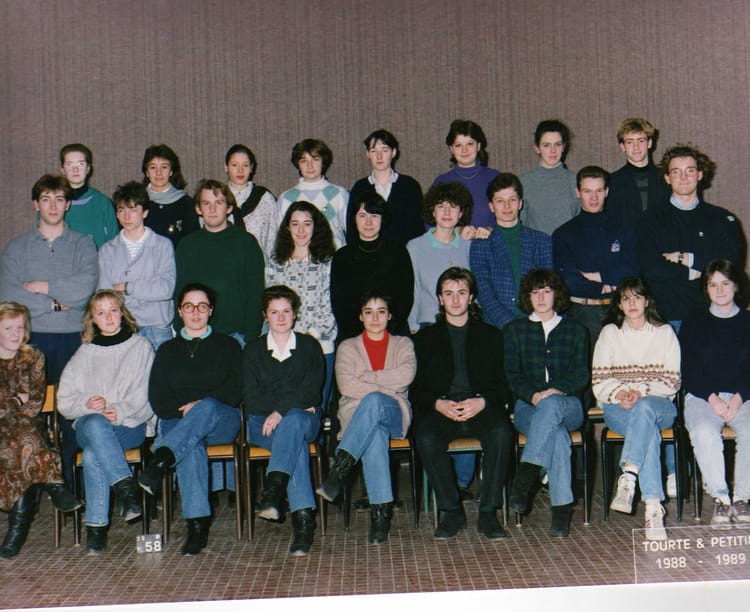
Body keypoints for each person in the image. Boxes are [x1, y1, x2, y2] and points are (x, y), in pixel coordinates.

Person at [0, 174, 98, 487]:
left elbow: (84, 289)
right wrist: (55, 303)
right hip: (30, 341)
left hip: (73, 340)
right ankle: (32, 489)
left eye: (59, 199)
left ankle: (69, 486)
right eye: (46, 199)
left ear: (68, 205)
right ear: (35, 205)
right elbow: (8, 293)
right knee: (30, 415)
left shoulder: (83, 244)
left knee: (71, 413)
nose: (53, 206)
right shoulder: (17, 247)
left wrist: (41, 286)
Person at [140, 283, 242, 556]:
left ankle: (160, 460)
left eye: (202, 306)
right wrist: (184, 411)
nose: (195, 312)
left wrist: (200, 406)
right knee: (192, 446)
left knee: (206, 406)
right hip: (179, 422)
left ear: (211, 311)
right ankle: (197, 527)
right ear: (179, 311)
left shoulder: (229, 345)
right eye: (189, 306)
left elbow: (236, 389)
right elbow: (158, 397)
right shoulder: (167, 350)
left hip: (220, 420)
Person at [412, 268, 513, 540]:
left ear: (471, 298)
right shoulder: (424, 339)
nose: (455, 300)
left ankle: (489, 512)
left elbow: (506, 384)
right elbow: (416, 389)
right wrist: (438, 404)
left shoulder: (491, 335)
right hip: (443, 408)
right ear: (439, 299)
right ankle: (452, 511)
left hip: (480, 406)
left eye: (461, 293)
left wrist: (483, 401)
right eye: (448, 294)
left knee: (501, 433)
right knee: (426, 437)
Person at [57, 290, 155, 555]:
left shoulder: (141, 347)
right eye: (101, 313)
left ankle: (96, 530)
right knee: (95, 425)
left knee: (93, 455)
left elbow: (146, 395)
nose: (109, 317)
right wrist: (86, 404)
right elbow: (64, 401)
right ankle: (127, 488)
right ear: (92, 319)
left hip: (128, 425)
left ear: (122, 312)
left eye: (113, 310)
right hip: (90, 426)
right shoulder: (84, 353)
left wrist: (120, 410)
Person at [316, 291, 416, 545]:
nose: (375, 318)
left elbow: (405, 376)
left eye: (381, 311)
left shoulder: (403, 344)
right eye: (368, 312)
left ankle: (340, 470)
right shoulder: (347, 347)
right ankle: (380, 516)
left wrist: (369, 379)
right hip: (358, 420)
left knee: (374, 401)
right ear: (360, 316)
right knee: (375, 435)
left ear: (390, 316)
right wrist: (386, 384)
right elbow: (346, 386)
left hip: (394, 413)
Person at [592, 277, 681, 541]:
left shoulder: (664, 332)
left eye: (637, 297)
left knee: (645, 410)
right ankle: (653, 510)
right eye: (626, 298)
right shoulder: (610, 333)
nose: (632, 303)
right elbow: (599, 380)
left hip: (660, 405)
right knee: (647, 431)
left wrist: (639, 391)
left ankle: (629, 474)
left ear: (647, 301)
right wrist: (621, 393)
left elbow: (672, 381)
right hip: (619, 407)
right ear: (619, 304)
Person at [504, 269, 589, 537]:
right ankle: (561, 510)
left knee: (552, 404)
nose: (541, 297)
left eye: (547, 291)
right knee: (558, 437)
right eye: (535, 292)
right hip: (528, 408)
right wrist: (533, 395)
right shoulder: (514, 330)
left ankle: (525, 476)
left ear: (556, 294)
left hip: (569, 405)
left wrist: (556, 390)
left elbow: (581, 373)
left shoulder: (576, 330)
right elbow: (511, 374)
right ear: (527, 297)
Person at [243, 286, 325, 556]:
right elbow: (252, 398)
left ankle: (273, 492)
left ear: (295, 314)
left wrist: (281, 410)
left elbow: (313, 391)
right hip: (261, 424)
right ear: (265, 315)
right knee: (294, 443)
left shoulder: (309, 346)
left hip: (304, 420)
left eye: (286, 311)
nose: (280, 318)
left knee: (293, 422)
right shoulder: (253, 350)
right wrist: (292, 404)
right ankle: (303, 526)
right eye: (274, 312)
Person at [0, 302, 82, 559]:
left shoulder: (34, 356)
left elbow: (35, 405)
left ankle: (16, 535)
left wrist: (10, 403)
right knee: (24, 441)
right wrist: (17, 399)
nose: (16, 334)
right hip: (15, 432)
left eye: (20, 327)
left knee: (22, 441)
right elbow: (20, 404)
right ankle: (54, 483)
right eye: (8, 328)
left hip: (25, 430)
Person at [637, 143, 743, 328]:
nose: (683, 177)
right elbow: (650, 267)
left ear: (700, 174)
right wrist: (695, 271)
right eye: (676, 172)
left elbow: (730, 262)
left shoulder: (721, 218)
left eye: (690, 170)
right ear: (667, 178)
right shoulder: (650, 219)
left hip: (711, 315)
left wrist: (685, 258)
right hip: (666, 317)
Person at [680, 260, 750, 528]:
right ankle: (721, 499)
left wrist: (739, 397)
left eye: (725, 283)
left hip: (743, 397)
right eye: (713, 285)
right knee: (703, 432)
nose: (720, 290)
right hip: (703, 396)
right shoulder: (694, 321)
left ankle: (742, 499)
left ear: (736, 286)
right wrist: (712, 397)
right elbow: (688, 369)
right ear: (706, 289)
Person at [553, 165, 639, 345]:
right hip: (581, 313)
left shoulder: (623, 228)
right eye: (587, 191)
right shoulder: (564, 233)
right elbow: (567, 278)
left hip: (618, 310)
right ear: (578, 193)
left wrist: (599, 276)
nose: (594, 198)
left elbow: (633, 269)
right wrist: (604, 286)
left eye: (599, 191)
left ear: (606, 192)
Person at [175, 179, 264, 345]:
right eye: (206, 203)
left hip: (237, 336)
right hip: (196, 335)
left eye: (219, 203)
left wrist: (251, 336)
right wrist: (182, 331)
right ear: (198, 209)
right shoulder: (187, 245)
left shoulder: (246, 242)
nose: (212, 209)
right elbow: (179, 291)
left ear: (229, 208)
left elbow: (255, 292)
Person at [266, 201, 337, 410]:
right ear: (287, 227)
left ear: (316, 226)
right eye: (295, 224)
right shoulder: (275, 263)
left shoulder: (328, 262)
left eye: (307, 224)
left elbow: (331, 307)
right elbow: (271, 305)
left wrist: (308, 340)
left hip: (320, 346)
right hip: (284, 347)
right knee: (285, 408)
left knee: (315, 409)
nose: (301, 230)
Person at [98, 181, 175, 350]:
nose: (127, 216)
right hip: (122, 326)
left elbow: (165, 289)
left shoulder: (162, 245)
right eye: (121, 210)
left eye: (133, 209)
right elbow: (106, 295)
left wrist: (126, 287)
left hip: (157, 328)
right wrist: (149, 284)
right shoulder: (107, 250)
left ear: (145, 212)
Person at [470, 173, 552, 329]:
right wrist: (511, 326)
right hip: (496, 326)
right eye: (500, 201)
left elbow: (546, 289)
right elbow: (484, 292)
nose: (507, 206)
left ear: (520, 203)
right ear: (491, 206)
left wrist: (533, 323)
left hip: (536, 324)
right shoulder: (480, 245)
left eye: (512, 200)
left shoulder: (542, 241)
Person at [331, 192, 414, 341]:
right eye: (362, 216)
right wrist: (361, 337)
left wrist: (385, 333)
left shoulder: (398, 253)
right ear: (354, 218)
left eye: (374, 216)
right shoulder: (342, 256)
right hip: (353, 338)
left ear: (383, 219)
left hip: (393, 334)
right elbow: (339, 304)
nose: (368, 222)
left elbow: (405, 299)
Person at [347, 129, 424, 245]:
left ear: (393, 152)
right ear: (367, 154)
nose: (379, 156)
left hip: (403, 251)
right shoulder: (360, 187)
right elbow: (351, 227)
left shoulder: (409, 186)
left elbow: (416, 227)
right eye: (373, 151)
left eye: (384, 150)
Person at [277, 139, 349, 249]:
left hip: (334, 256)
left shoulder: (340, 194)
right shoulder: (286, 198)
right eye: (304, 161)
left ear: (323, 162)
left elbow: (351, 232)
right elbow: (281, 238)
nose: (309, 166)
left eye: (315, 159)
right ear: (298, 164)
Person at [432, 119, 500, 229]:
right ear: (451, 149)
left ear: (478, 146)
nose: (464, 150)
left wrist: (491, 230)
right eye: (458, 145)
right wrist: (457, 232)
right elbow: (430, 224)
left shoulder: (495, 178)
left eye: (470, 144)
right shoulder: (442, 182)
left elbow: (510, 218)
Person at [605, 118, 670, 229]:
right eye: (629, 142)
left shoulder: (667, 178)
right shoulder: (612, 182)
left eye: (641, 140)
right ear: (622, 146)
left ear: (649, 143)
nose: (636, 147)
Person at [520, 119, 579, 235]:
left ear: (564, 147)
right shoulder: (523, 183)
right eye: (546, 145)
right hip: (536, 245)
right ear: (537, 148)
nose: (553, 151)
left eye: (557, 144)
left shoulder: (576, 181)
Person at [224, 144, 278, 260]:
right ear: (226, 167)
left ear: (251, 168)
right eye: (234, 165)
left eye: (245, 165)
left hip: (258, 264)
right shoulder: (218, 199)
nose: (240, 170)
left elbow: (273, 239)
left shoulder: (265, 198)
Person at [58, 143, 118, 249]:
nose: (75, 169)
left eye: (80, 164)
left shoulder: (103, 203)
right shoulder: (52, 204)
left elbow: (114, 243)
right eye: (69, 164)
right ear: (62, 170)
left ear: (88, 169)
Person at [141, 144, 199, 246]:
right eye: (153, 168)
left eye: (164, 167)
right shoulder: (138, 201)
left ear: (171, 171)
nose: (158, 173)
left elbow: (192, 241)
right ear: (147, 172)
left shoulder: (185, 203)